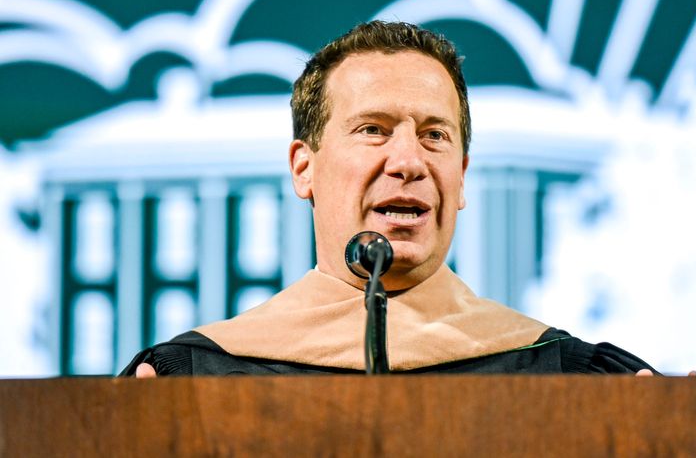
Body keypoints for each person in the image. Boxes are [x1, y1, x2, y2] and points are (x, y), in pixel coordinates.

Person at [122, 21, 658, 377]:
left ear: (463, 177)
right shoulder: (194, 379)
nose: (408, 161)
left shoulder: (565, 377)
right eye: (374, 130)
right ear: (304, 169)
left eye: (435, 135)